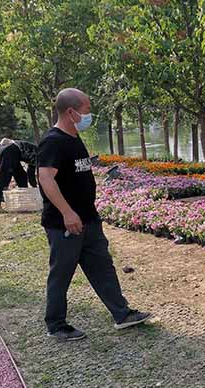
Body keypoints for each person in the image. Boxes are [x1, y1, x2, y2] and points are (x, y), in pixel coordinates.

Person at [38, 88, 151, 341]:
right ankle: (56, 325)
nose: (90, 115)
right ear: (71, 112)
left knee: (103, 267)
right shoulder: (53, 141)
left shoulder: (74, 138)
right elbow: (45, 178)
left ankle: (122, 314)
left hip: (88, 219)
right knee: (61, 274)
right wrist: (67, 213)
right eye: (87, 110)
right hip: (65, 223)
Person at [0, 138, 39, 210]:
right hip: (11, 150)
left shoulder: (39, 153)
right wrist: (35, 187)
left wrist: (34, 186)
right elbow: (31, 174)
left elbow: (31, 171)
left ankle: (23, 199)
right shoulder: (40, 155)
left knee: (22, 176)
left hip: (14, 152)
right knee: (5, 177)